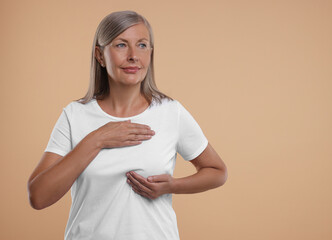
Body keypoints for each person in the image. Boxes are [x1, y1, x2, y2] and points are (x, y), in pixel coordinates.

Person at [27, 10, 227, 240]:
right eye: (121, 45)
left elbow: (217, 171)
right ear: (100, 56)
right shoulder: (75, 115)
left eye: (142, 45)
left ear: (151, 53)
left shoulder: (171, 112)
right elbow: (39, 197)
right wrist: (97, 139)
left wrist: (172, 185)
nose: (133, 56)